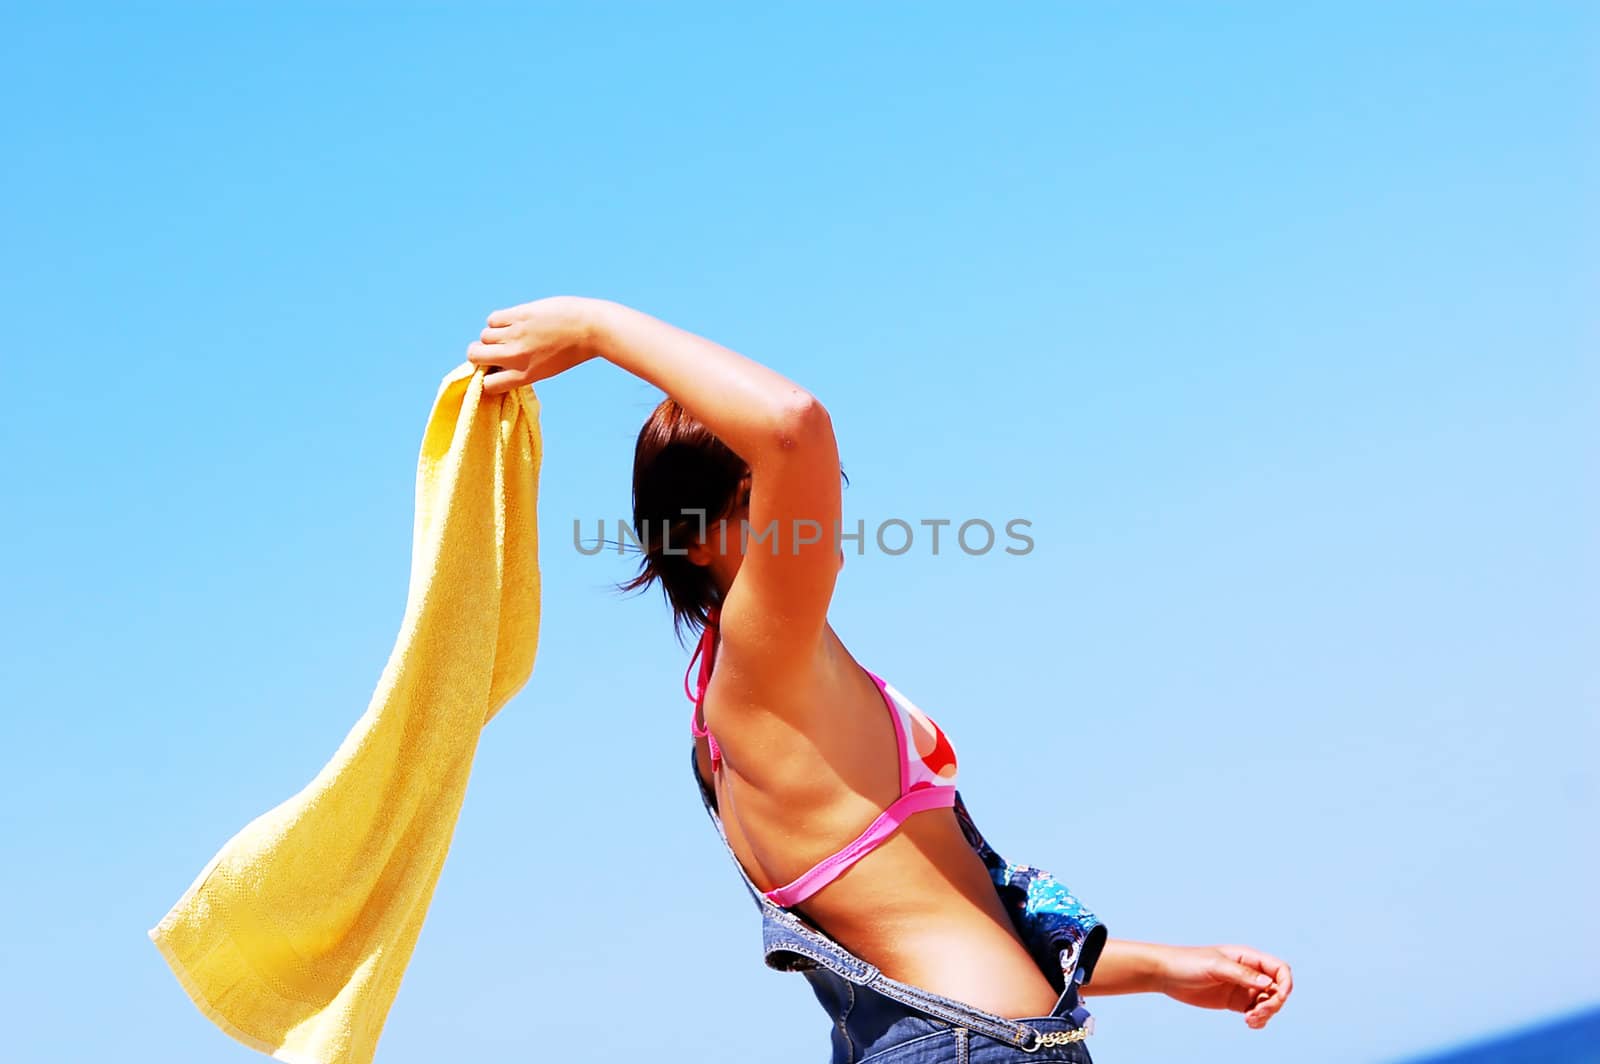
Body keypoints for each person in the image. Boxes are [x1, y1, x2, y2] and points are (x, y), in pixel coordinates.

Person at [466, 296, 1294, 1062]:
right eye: (759, 488)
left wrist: (1160, 970)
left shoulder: (748, 706)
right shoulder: (761, 665)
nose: (812, 503)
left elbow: (938, 911)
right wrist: (593, 328)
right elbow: (795, 424)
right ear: (697, 535)